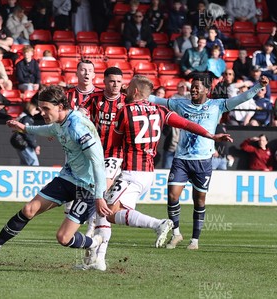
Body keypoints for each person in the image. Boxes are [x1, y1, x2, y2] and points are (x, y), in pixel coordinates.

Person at [83, 75, 233, 271]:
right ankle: (98, 260)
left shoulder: (125, 111)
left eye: (129, 89)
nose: (125, 91)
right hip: (148, 172)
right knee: (110, 213)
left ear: (135, 92)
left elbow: (115, 144)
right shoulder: (161, 111)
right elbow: (187, 124)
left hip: (130, 172)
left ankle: (157, 224)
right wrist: (211, 135)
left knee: (106, 210)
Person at [0, 85, 107, 263]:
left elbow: (98, 162)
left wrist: (99, 195)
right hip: (68, 178)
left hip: (88, 186)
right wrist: (23, 128)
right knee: (28, 209)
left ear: (60, 107)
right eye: (40, 109)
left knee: (63, 238)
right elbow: (48, 130)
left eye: (46, 109)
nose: (42, 113)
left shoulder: (78, 127)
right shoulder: (60, 122)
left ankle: (94, 243)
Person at [149, 75, 269, 250]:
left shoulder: (217, 105)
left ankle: (195, 241)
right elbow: (156, 99)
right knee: (173, 195)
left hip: (203, 161)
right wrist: (136, 93)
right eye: (192, 87)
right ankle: (176, 234)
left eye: (197, 87)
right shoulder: (180, 104)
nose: (194, 90)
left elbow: (241, 98)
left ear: (207, 90)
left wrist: (258, 86)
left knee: (199, 200)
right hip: (181, 159)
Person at [78, 67, 129, 237]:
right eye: (112, 81)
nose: (115, 85)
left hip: (115, 154)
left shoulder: (126, 101)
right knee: (92, 189)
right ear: (104, 81)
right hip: (93, 152)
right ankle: (94, 222)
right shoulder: (93, 99)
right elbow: (79, 115)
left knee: (101, 189)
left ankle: (94, 225)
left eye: (119, 82)